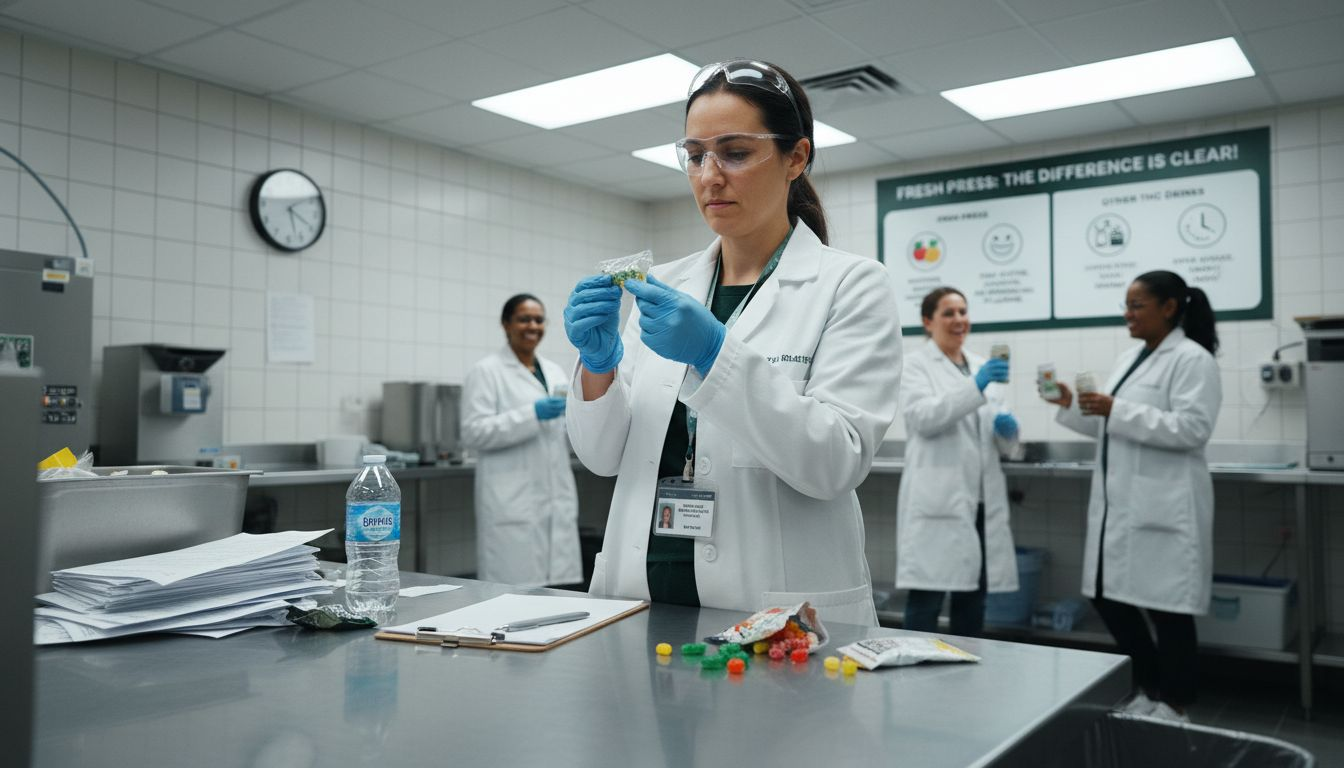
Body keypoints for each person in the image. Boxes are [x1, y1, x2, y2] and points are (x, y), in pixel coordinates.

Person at [561, 59, 903, 626]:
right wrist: (597, 367)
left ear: (796, 157)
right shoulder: (662, 286)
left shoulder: (851, 283)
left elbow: (834, 462)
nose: (708, 176)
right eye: (695, 155)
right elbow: (601, 458)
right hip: (637, 596)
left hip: (774, 609)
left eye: (735, 153)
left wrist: (714, 354)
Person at [1044, 270, 1221, 723]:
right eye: (1126, 305)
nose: (1128, 314)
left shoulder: (1192, 359)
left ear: (1168, 307)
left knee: (1170, 612)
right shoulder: (1131, 358)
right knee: (1109, 597)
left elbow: (1192, 428)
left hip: (1165, 506)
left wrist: (1116, 409)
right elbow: (1110, 425)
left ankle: (1176, 703)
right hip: (1121, 506)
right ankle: (1148, 687)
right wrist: (1071, 405)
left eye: (1137, 305)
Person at [896, 287, 1022, 637]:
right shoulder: (915, 365)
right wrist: (975, 387)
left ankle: (967, 680)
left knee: (974, 597)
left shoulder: (984, 365)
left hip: (981, 499)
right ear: (927, 321)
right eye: (949, 313)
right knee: (927, 599)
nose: (959, 320)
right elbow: (923, 418)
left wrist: (1008, 432)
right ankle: (913, 677)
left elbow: (1001, 440)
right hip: (939, 499)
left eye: (963, 312)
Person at [461, 294, 581, 588]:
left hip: (554, 494)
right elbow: (473, 432)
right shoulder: (486, 371)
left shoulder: (553, 371)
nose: (532, 325)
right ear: (506, 324)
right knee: (511, 593)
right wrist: (531, 414)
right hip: (511, 500)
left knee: (557, 594)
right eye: (524, 319)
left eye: (539, 319)